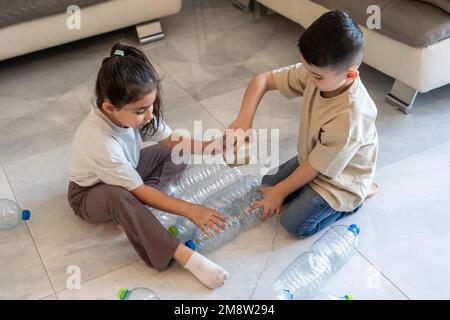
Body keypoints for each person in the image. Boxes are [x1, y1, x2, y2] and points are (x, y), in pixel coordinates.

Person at [67, 42, 228, 289]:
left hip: (125, 173)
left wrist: (213, 146)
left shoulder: (131, 110)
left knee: (176, 152)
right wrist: (191, 210)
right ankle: (183, 256)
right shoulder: (100, 141)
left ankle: (135, 213)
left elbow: (173, 139)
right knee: (120, 196)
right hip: (89, 194)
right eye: (142, 110)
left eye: (151, 105)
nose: (150, 115)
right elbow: (138, 190)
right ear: (109, 108)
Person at [226, 10, 379, 238]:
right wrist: (244, 119)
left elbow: (316, 167)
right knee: (267, 184)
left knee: (293, 223)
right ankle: (301, 191)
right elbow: (263, 80)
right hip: (314, 158)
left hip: (340, 180)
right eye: (306, 69)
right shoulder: (316, 74)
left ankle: (358, 196)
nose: (308, 79)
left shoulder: (350, 116)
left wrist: (280, 192)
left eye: (316, 76)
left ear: (349, 76)